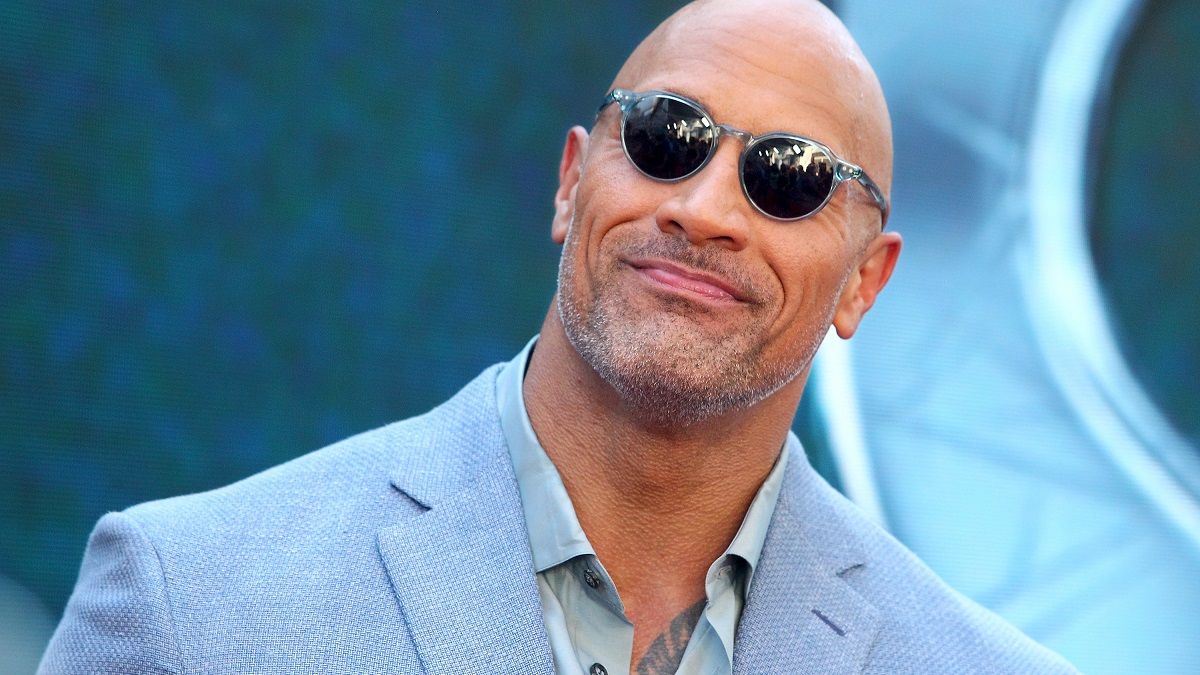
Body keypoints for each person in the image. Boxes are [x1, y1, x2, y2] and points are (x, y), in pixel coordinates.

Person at [40, 0, 1080, 673]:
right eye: (667, 137)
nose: (706, 208)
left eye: (790, 178)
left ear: (865, 281)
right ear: (573, 177)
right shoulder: (190, 604)